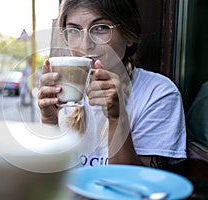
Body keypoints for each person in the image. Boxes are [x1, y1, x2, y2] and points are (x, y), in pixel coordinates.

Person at [37, 0, 186, 169]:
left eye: (101, 28)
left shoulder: (158, 93)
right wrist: (49, 121)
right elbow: (49, 177)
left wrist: (117, 116)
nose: (85, 45)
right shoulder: (64, 92)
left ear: (129, 35)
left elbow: (130, 185)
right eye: (74, 30)